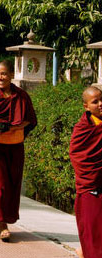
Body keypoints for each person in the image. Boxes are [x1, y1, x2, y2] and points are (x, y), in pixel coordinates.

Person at [0, 60, 37, 242]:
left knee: (12, 185)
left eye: (3, 73)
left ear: (11, 74)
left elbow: (30, 119)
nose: (0, 77)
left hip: (14, 145)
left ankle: (0, 220)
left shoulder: (21, 95)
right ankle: (3, 224)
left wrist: (12, 128)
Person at [69, 86, 102, 258]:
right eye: (95, 102)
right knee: (93, 232)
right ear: (86, 107)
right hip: (91, 185)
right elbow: (77, 156)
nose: (101, 104)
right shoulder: (82, 129)